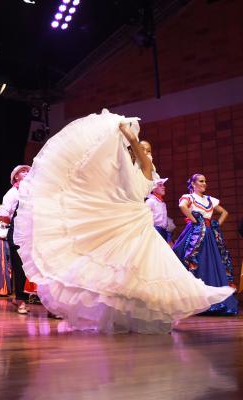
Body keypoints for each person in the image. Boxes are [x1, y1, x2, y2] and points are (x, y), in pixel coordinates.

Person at [13, 109, 235, 333]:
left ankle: (145, 316)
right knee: (121, 273)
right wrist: (118, 134)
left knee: (147, 270)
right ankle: (121, 318)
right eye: (143, 149)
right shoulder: (123, 167)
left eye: (149, 150)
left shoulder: (148, 170)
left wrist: (129, 134)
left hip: (139, 223)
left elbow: (137, 152)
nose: (146, 152)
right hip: (124, 220)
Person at [172, 174, 238, 315]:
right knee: (197, 261)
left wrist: (215, 225)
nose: (204, 183)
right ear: (193, 184)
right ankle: (195, 301)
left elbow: (224, 212)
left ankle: (214, 302)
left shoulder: (209, 200)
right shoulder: (189, 197)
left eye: (205, 181)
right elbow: (182, 206)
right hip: (196, 234)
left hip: (209, 234)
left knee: (213, 263)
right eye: (201, 181)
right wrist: (194, 220)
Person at [0, 165, 31, 314]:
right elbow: (4, 215)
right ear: (16, 177)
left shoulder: (34, 192)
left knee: (35, 267)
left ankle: (46, 302)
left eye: (28, 171)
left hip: (33, 232)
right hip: (18, 231)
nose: (26, 173)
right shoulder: (12, 193)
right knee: (20, 267)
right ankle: (20, 300)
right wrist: (16, 223)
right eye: (22, 171)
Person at [145, 178, 174, 244]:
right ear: (153, 188)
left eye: (163, 185)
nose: (164, 187)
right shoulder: (150, 201)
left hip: (163, 231)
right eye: (160, 185)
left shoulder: (162, 202)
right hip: (155, 231)